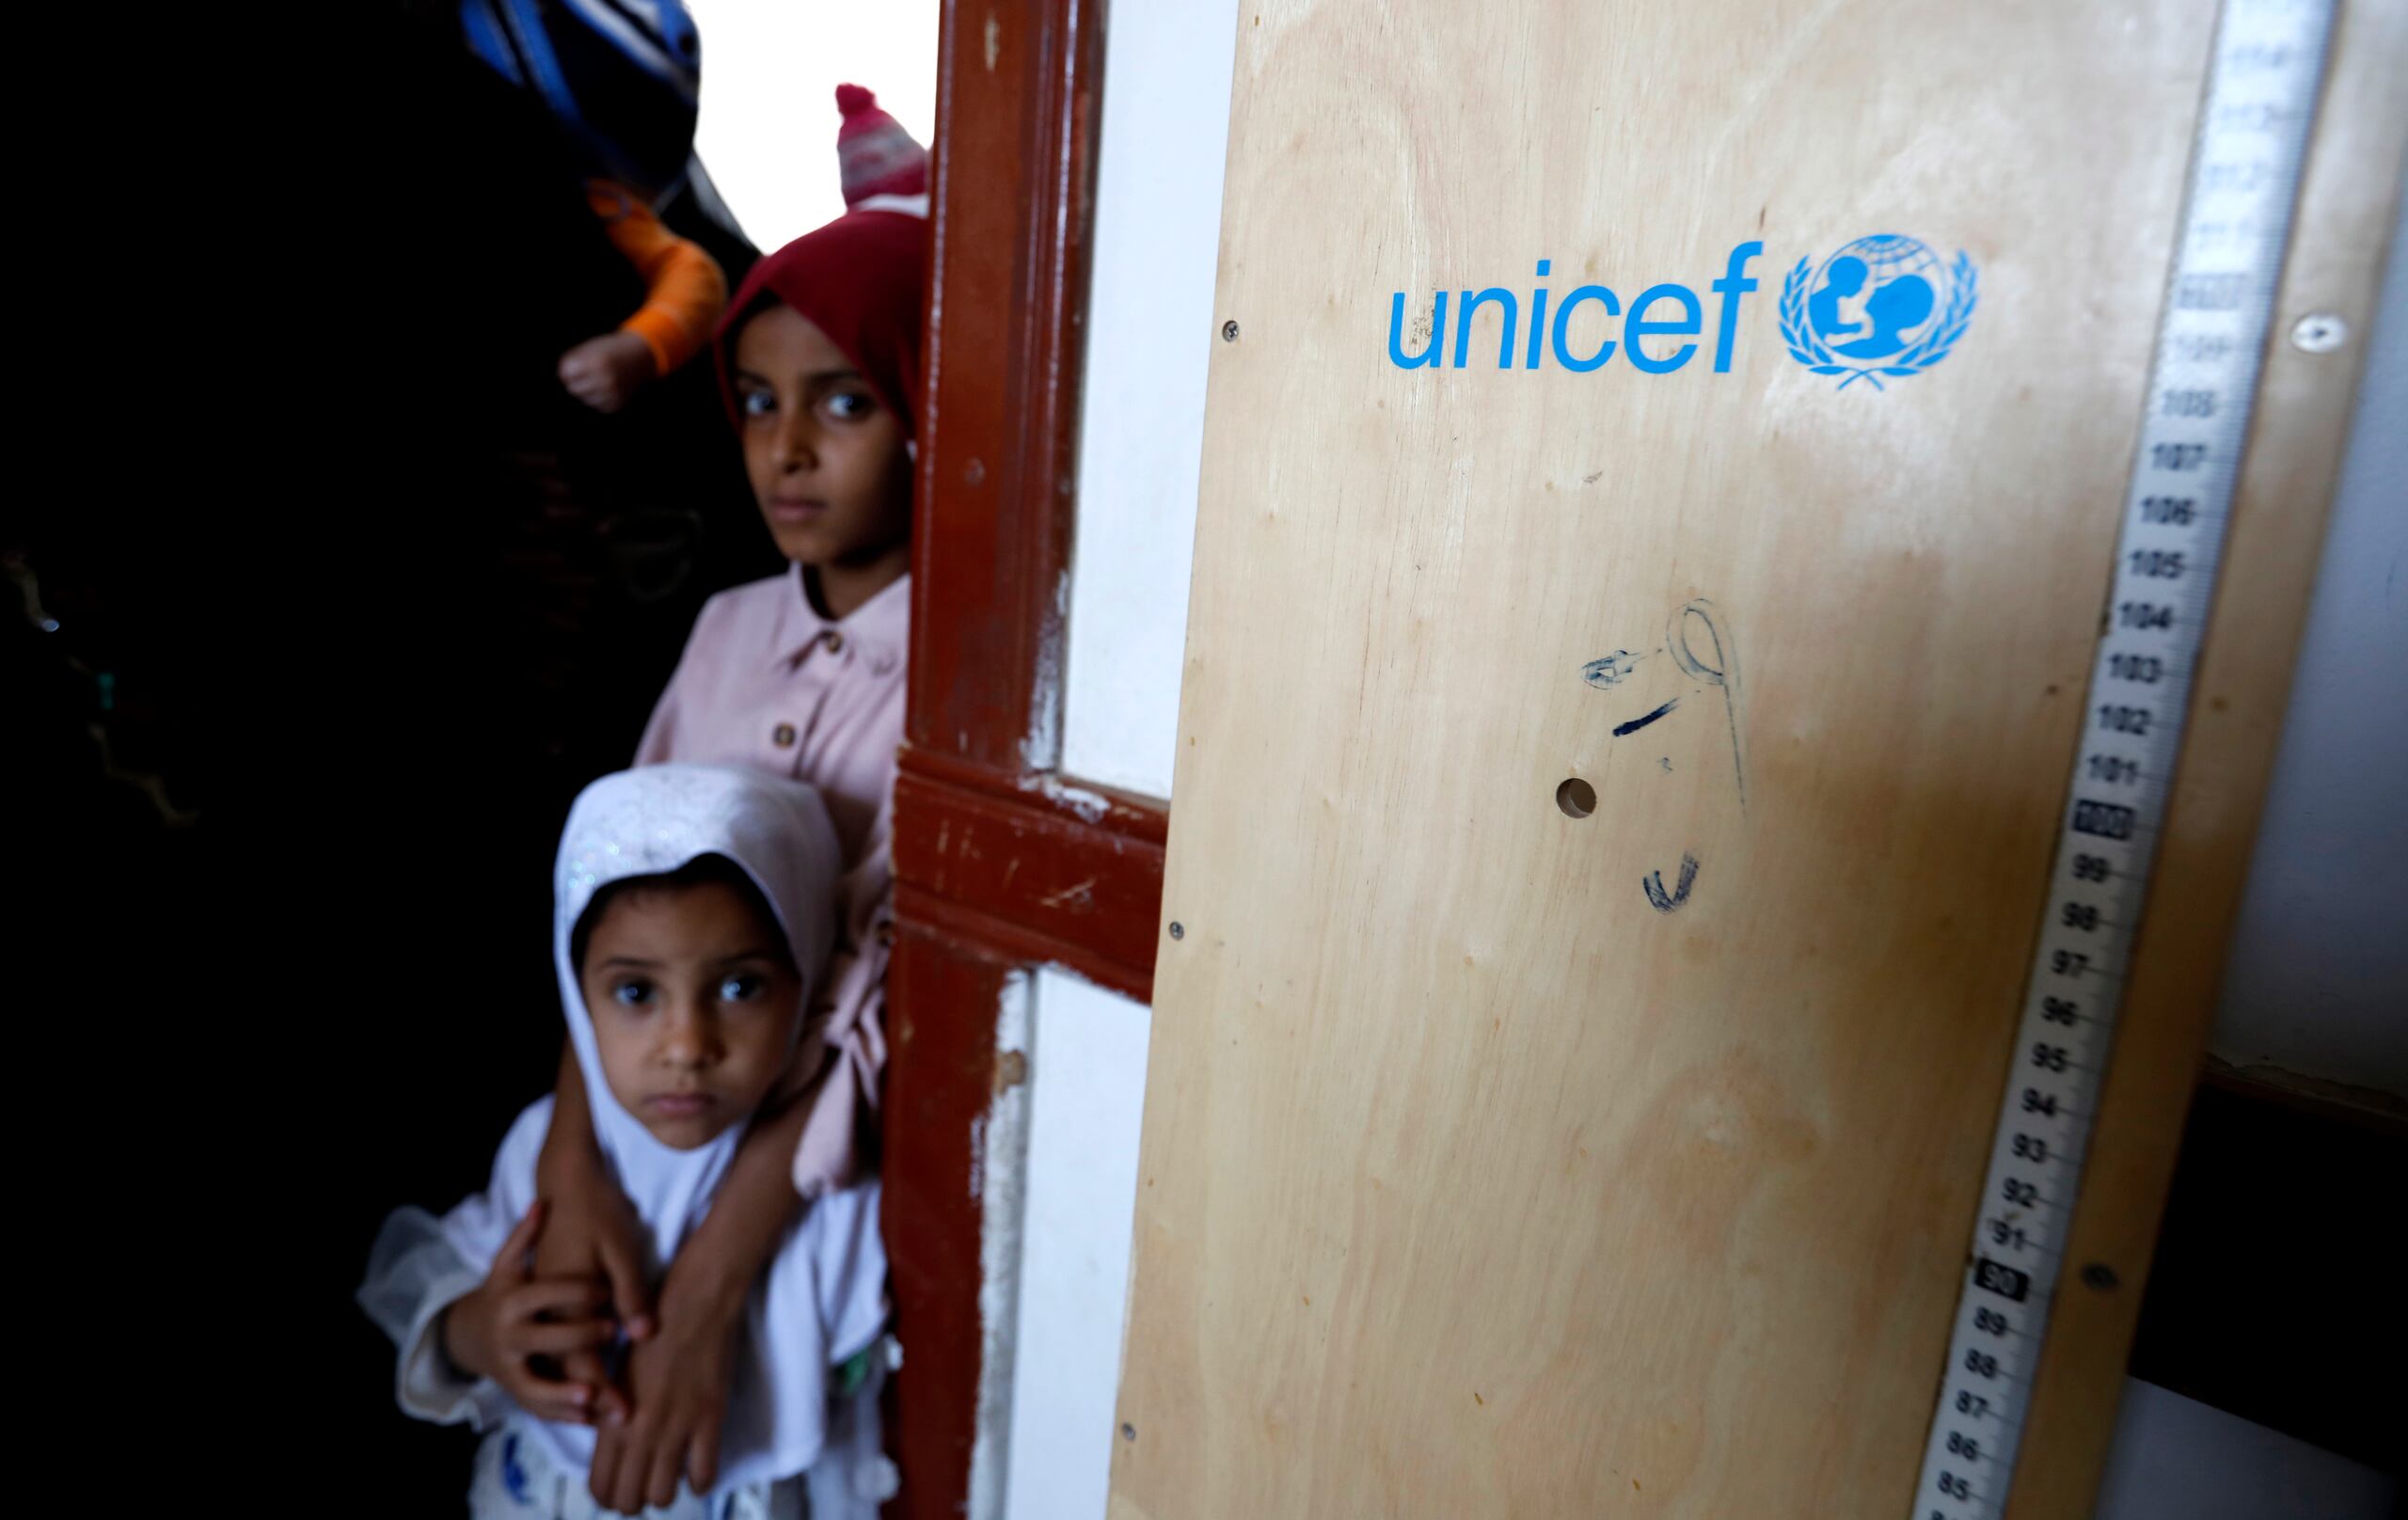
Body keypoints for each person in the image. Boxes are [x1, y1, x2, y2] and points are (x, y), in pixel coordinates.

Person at [528, 138, 927, 1512]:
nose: (788, 451)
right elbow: (618, 902)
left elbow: (864, 1010)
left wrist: (705, 1294)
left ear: (940, 409)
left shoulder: (965, 675)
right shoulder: (726, 626)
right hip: (637, 1123)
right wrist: (576, 1170)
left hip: (795, 1205)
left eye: (847, 402)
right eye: (755, 403)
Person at [359, 764, 890, 1518]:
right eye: (636, 993)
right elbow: (436, 1294)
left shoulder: (823, 1186)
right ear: (578, 999)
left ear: (807, 978)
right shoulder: (554, 1154)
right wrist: (477, 1334)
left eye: (740, 987)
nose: (686, 1044)